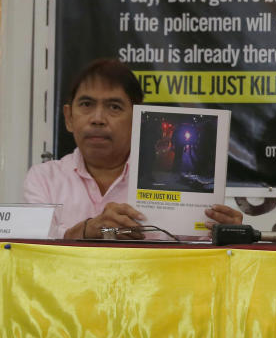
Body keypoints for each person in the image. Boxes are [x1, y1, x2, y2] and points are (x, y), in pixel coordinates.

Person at [22, 58, 242, 239]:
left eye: (114, 107)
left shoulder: (167, 178)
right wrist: (88, 230)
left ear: (138, 119)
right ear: (69, 118)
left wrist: (225, 235)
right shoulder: (44, 179)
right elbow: (33, 248)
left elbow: (197, 253)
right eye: (86, 105)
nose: (97, 119)